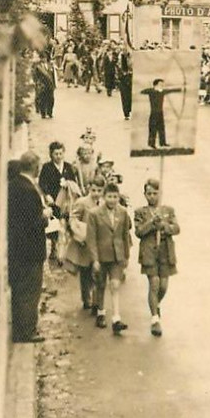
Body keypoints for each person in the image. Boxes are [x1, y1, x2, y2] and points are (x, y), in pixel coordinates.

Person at [8, 151, 52, 343]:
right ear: (35, 167)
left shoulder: (14, 185)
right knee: (30, 291)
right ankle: (26, 331)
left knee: (19, 290)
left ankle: (20, 329)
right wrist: (45, 216)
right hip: (30, 250)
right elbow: (32, 222)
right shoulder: (28, 190)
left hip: (16, 248)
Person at [134, 178, 180, 337]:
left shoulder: (168, 210)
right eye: (149, 194)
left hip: (165, 252)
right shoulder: (140, 212)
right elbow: (139, 232)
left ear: (160, 193)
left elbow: (176, 228)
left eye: (155, 193)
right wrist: (151, 223)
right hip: (149, 252)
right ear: (145, 194)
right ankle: (154, 319)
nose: (152, 196)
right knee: (154, 283)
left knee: (163, 286)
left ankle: (156, 304)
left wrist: (164, 226)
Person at [87, 182, 132, 334]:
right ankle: (100, 312)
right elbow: (91, 238)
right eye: (109, 196)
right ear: (104, 196)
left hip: (117, 256)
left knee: (115, 285)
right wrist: (95, 259)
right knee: (100, 285)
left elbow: (125, 235)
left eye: (115, 197)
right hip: (101, 255)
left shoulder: (123, 212)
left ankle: (116, 318)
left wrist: (126, 255)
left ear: (118, 197)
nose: (112, 200)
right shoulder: (94, 214)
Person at [65, 174, 106, 311]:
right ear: (89, 188)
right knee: (86, 272)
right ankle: (86, 298)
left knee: (98, 271)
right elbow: (73, 218)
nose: (96, 194)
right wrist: (77, 232)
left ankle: (95, 301)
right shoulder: (82, 202)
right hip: (84, 241)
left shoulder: (104, 203)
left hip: (98, 242)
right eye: (93, 190)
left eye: (99, 191)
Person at [39, 142, 80, 262]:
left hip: (66, 200)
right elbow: (42, 183)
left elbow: (74, 182)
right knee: (55, 224)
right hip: (53, 200)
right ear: (51, 154)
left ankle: (67, 249)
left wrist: (68, 184)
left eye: (61, 153)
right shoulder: (47, 167)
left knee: (67, 223)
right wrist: (47, 195)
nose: (58, 156)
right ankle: (54, 247)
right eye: (56, 154)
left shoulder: (68, 167)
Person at [141, 78, 183, 149]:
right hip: (154, 113)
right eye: (160, 84)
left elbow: (171, 90)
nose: (162, 86)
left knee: (161, 128)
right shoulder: (152, 91)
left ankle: (162, 142)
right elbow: (143, 91)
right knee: (153, 128)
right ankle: (151, 144)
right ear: (156, 85)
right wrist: (154, 89)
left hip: (160, 112)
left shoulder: (162, 91)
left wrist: (180, 89)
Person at [32, 51, 56, 119]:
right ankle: (43, 113)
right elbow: (35, 76)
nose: (44, 59)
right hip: (42, 84)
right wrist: (37, 83)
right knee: (42, 99)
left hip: (50, 85)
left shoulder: (50, 65)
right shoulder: (37, 66)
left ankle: (50, 112)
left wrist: (54, 84)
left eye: (45, 57)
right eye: (42, 57)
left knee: (51, 99)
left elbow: (53, 75)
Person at [118, 47, 133, 120]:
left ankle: (129, 110)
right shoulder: (121, 58)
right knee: (125, 98)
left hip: (130, 79)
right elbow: (120, 69)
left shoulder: (132, 58)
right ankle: (126, 113)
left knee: (130, 98)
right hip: (124, 81)